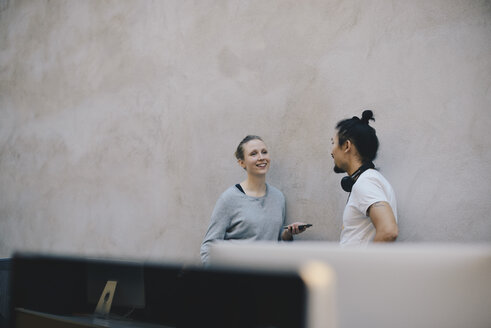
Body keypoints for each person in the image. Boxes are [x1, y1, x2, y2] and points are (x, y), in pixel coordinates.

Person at [200, 135, 308, 263]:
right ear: (242, 162)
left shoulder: (278, 197)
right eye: (253, 154)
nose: (261, 157)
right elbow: (208, 248)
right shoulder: (229, 199)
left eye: (264, 152)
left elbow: (276, 243)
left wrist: (288, 234)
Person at [331, 110, 398, 246]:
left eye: (333, 143)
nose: (331, 151)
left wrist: (366, 267)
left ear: (346, 146)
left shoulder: (366, 182)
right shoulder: (368, 180)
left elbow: (388, 231)